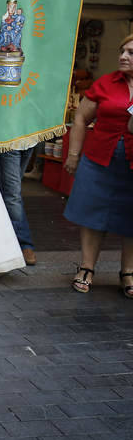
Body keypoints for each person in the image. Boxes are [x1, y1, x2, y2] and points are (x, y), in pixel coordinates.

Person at [64, 35, 133, 295]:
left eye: (131, 52)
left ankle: (128, 271)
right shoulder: (106, 83)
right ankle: (86, 267)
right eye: (122, 50)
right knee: (92, 214)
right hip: (98, 159)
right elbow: (81, 118)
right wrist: (73, 154)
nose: (123, 56)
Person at [0, 144, 38, 265]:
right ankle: (23, 244)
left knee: (10, 192)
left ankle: (3, 240)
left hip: (28, 138)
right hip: (9, 138)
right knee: (12, 194)